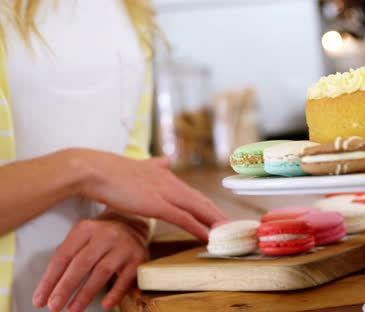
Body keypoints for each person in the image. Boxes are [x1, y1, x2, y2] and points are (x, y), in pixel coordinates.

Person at [0, 1, 227, 311]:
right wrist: (82, 170)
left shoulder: (131, 9)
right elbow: (107, 169)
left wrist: (127, 220)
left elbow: (129, 156)